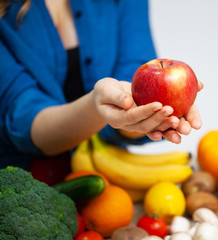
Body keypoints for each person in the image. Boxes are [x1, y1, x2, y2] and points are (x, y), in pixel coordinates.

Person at [0, 0, 202, 170]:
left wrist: (134, 117)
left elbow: (136, 77)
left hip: (109, 173)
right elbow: (22, 118)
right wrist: (97, 106)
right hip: (20, 180)